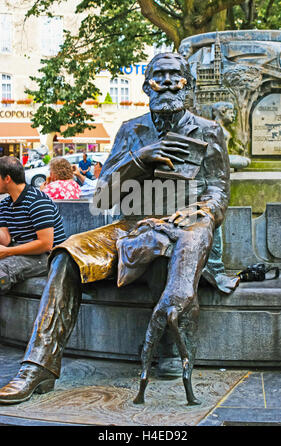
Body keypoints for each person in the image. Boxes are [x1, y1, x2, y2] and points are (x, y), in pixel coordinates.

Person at [0, 52, 238, 405]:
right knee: (66, 255)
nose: (169, 82)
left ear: (188, 84)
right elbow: (105, 191)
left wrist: (198, 213)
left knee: (164, 249)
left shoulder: (208, 131)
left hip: (184, 228)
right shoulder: (131, 130)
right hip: (129, 225)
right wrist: (139, 159)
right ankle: (37, 368)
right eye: (160, 76)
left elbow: (218, 191)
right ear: (147, 86)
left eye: (177, 76)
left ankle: (168, 347)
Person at [0, 156, 66, 294]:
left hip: (48, 257)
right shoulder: (5, 204)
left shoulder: (37, 201)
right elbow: (5, 239)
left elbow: (46, 244)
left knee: (2, 270)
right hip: (20, 251)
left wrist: (7, 251)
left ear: (7, 178)